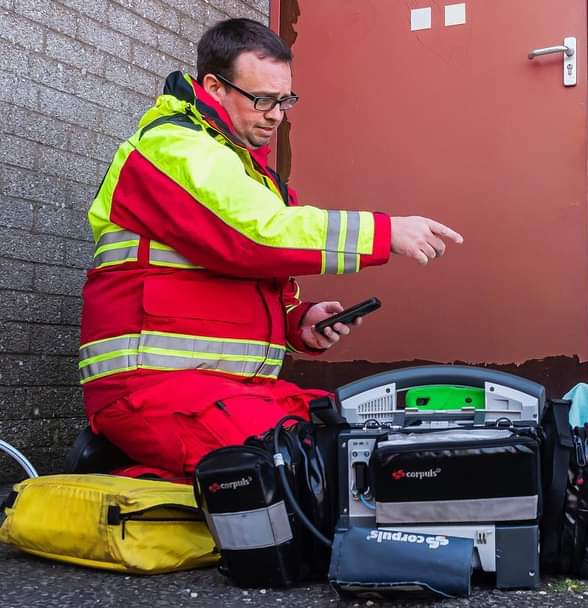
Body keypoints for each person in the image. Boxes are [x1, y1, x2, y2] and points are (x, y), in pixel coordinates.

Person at [77, 18, 463, 481]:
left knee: (354, 436)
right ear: (215, 88)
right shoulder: (171, 148)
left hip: (229, 390)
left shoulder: (246, 173)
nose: (276, 114)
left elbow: (249, 278)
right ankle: (127, 477)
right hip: (152, 391)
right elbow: (255, 237)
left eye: (284, 100)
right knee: (304, 469)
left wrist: (300, 322)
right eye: (262, 99)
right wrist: (384, 232)